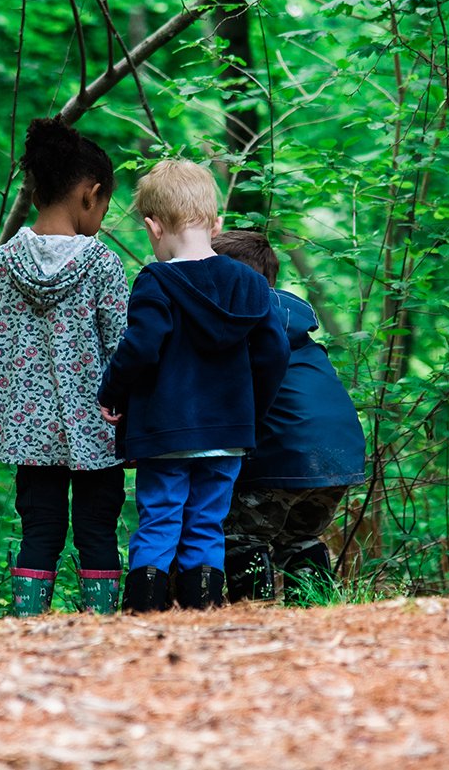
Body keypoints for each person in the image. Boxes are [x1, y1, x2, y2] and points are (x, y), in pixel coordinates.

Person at [97, 160, 289, 612]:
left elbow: (142, 348)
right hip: (227, 432)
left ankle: (145, 611)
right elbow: (275, 352)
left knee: (160, 518)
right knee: (207, 521)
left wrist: (113, 391)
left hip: (165, 432)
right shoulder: (249, 282)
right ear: (216, 223)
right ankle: (202, 610)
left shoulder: (156, 280)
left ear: (153, 226)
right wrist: (250, 409)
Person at [0, 117, 128, 616]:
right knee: (97, 529)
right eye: (103, 205)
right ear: (91, 193)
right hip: (97, 429)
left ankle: (26, 630)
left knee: (38, 529)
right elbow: (123, 347)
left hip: (29, 433)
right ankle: (102, 631)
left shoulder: (1, 263)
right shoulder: (102, 263)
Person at [208, 229, 366, 605]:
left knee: (240, 532)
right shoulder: (292, 322)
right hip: (339, 455)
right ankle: (315, 611)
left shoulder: (243, 320)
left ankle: (254, 611)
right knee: (298, 537)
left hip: (287, 454)